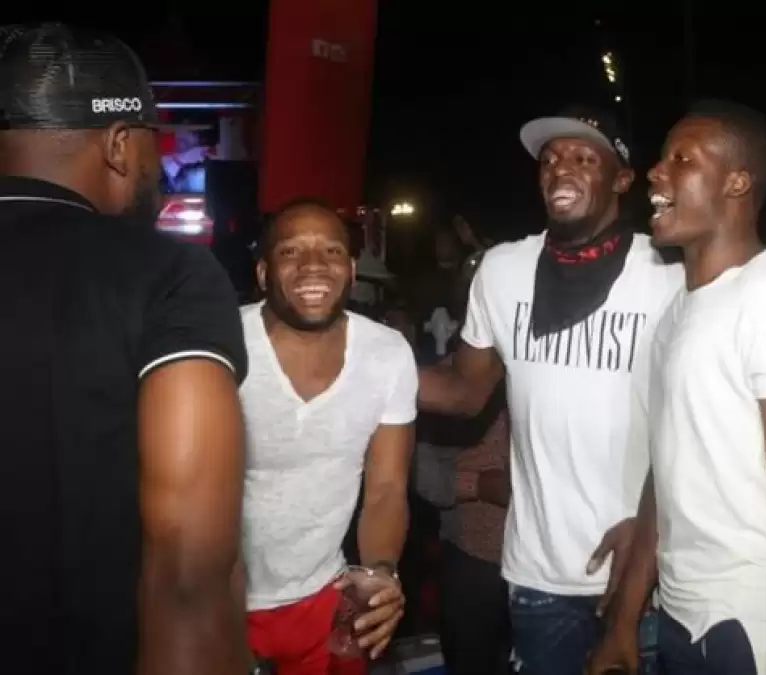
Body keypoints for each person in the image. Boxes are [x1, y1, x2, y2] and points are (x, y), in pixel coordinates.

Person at [0, 23, 248, 675]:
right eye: (150, 145)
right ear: (117, 143)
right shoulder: (167, 275)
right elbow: (187, 581)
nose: (155, 170)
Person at [418, 105, 684, 675]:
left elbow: (697, 425)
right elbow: (465, 391)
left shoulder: (670, 272)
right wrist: (360, 361)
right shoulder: (502, 270)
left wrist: (652, 530)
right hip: (538, 574)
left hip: (647, 571)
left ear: (621, 179)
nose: (561, 168)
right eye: (551, 158)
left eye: (585, 158)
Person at [591, 101, 766, 675]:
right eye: (662, 158)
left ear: (737, 182)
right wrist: (625, 619)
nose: (657, 172)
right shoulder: (677, 312)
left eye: (683, 159)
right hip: (681, 616)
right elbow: (665, 471)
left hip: (752, 625)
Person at [240, 198, 415, 675]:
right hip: (219, 604)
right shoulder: (222, 344)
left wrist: (380, 574)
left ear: (352, 271)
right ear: (263, 273)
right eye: (291, 251)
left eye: (332, 251)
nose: (314, 264)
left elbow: (386, 488)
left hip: (327, 602)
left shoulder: (387, 354)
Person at [415, 250, 512, 675]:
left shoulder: (551, 373)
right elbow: (418, 471)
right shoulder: (444, 380)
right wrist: (480, 485)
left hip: (556, 560)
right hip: (475, 556)